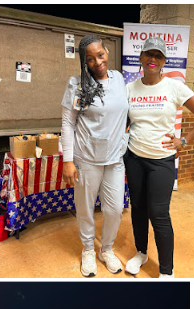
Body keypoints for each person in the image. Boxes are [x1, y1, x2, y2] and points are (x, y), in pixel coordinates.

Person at [123, 37, 194, 278]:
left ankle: (166, 272)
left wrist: (183, 141)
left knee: (159, 213)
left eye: (159, 56)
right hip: (134, 158)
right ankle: (141, 253)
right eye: (149, 54)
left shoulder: (174, 87)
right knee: (138, 209)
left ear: (163, 61)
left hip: (161, 161)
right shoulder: (130, 88)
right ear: (141, 57)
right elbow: (123, 121)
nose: (153, 59)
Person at [61, 34, 129, 277]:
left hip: (114, 158)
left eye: (100, 55)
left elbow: (125, 113)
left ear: (106, 53)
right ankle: (89, 250)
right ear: (84, 61)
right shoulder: (78, 85)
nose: (97, 62)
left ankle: (106, 248)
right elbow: (68, 124)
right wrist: (68, 160)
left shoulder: (119, 79)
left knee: (114, 209)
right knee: (86, 208)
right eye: (90, 59)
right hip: (87, 158)